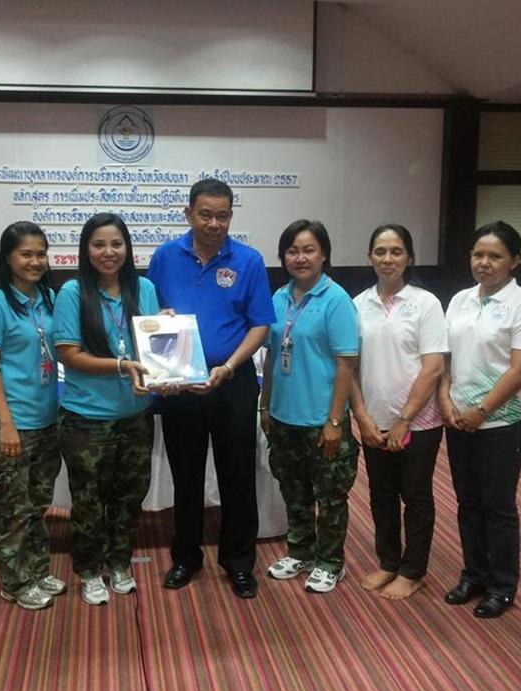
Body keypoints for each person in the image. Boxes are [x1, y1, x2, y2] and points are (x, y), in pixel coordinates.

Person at [147, 178, 275, 599]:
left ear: (231, 217)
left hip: (233, 382)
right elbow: (150, 315)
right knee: (185, 476)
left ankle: (239, 563)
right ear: (188, 214)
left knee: (238, 475)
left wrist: (229, 367)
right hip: (180, 384)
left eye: (222, 216)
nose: (214, 223)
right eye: (205, 215)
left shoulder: (249, 260)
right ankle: (186, 558)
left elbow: (260, 325)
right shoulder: (165, 257)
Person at [438, 221, 521, 618]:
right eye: (478, 254)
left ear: (514, 261)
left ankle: (502, 586)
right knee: (468, 502)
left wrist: (481, 410)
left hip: (502, 423)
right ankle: (474, 575)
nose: (484, 263)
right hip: (458, 419)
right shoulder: (460, 300)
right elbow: (445, 357)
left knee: (497, 506)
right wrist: (445, 399)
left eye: (495, 256)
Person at [52, 213, 159, 606]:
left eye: (116, 244)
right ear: (86, 250)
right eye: (99, 244)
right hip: (86, 419)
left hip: (135, 414)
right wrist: (121, 365)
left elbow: (152, 346)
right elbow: (69, 354)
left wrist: (166, 333)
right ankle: (88, 568)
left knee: (129, 496)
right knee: (89, 500)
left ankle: (119, 562)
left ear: (127, 248)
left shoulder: (144, 288)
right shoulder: (72, 293)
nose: (108, 252)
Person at [259, 220, 359, 594]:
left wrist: (334, 421)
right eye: (292, 251)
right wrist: (265, 407)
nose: (300, 258)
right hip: (284, 416)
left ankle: (331, 562)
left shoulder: (336, 300)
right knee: (294, 491)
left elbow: (346, 365)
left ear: (324, 255)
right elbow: (272, 356)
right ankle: (300, 551)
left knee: (329, 496)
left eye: (308, 250)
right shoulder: (278, 298)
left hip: (322, 420)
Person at [351, 224, 448, 600]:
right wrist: (362, 415)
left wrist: (405, 419)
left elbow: (433, 366)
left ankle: (413, 570)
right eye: (380, 251)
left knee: (416, 494)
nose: (387, 259)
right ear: (369, 257)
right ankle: (388, 562)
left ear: (409, 257)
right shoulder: (358, 305)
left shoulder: (426, 303)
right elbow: (350, 366)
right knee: (382, 494)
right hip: (374, 419)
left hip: (418, 421)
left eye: (396, 251)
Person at [0, 222, 64, 611]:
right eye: (26, 254)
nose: (35, 261)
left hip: (46, 420)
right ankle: (14, 582)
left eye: (41, 254)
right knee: (12, 510)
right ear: (8, 257)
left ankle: (38, 571)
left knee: (37, 505)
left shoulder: (50, 298)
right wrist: (5, 423)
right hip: (11, 424)